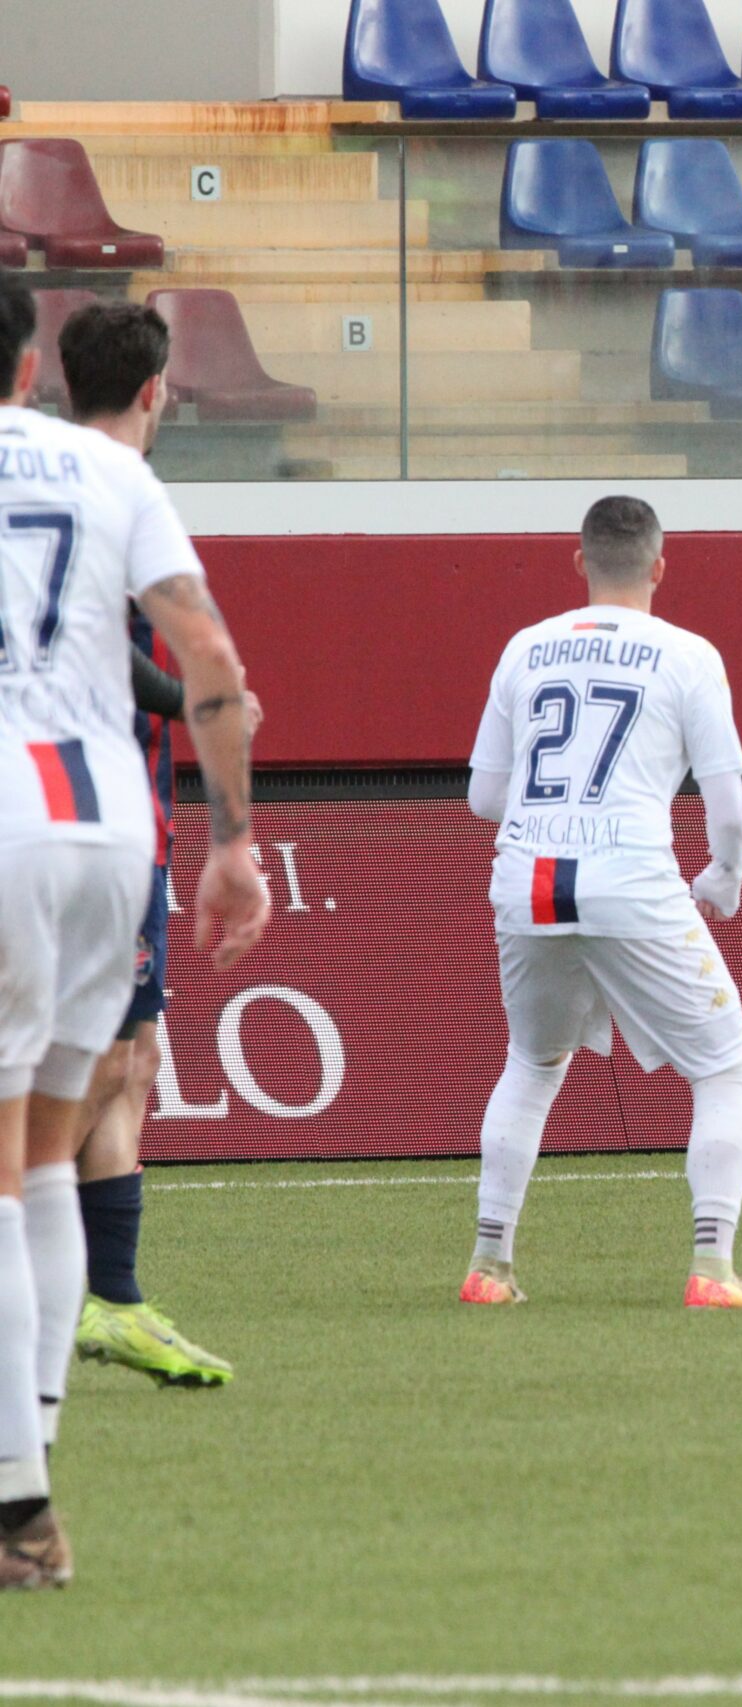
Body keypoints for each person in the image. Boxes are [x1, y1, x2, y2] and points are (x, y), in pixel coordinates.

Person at [0, 276, 267, 1587]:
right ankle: (32, 1484)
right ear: (29, 364)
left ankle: (15, 1502)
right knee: (49, 1151)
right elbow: (209, 657)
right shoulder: (109, 469)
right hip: (109, 831)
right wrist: (233, 842)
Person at [461, 496, 742, 1310]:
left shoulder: (525, 646)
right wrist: (725, 877)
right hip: (630, 879)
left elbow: (484, 796)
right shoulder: (688, 654)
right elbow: (731, 810)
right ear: (660, 566)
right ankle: (712, 1266)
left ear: (580, 562)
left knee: (531, 1062)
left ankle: (489, 1263)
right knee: (724, 1065)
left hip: (527, 880)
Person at [57, 303, 248, 1388]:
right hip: (94, 812)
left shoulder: (47, 479)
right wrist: (198, 700)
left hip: (107, 807)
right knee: (97, 1062)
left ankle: (114, 1300)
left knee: (134, 1058)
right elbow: (114, 644)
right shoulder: (113, 489)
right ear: (155, 389)